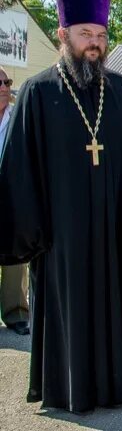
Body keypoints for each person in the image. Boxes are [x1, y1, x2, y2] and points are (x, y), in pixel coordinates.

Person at [0, 0, 122, 412]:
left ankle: (115, 382)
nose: (95, 42)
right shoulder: (37, 92)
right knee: (70, 307)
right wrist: (33, 231)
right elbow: (20, 169)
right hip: (61, 232)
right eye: (85, 33)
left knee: (113, 299)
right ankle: (67, 387)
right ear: (63, 34)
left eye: (100, 33)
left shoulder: (118, 89)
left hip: (112, 227)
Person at [0, 68, 29, 336]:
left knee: (13, 258)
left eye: (7, 82)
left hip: (10, 194)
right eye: (0, 83)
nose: (4, 87)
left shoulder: (17, 116)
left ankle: (16, 312)